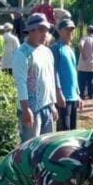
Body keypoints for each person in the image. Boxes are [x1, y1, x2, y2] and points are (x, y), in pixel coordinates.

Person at [13, 13, 59, 143]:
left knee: (46, 146)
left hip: (46, 107)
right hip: (31, 110)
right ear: (31, 31)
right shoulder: (22, 53)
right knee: (30, 147)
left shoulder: (47, 52)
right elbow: (21, 83)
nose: (45, 34)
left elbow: (50, 79)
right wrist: (26, 109)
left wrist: (52, 105)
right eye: (41, 30)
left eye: (46, 30)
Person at [52, 18, 82, 131]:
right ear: (59, 31)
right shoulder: (55, 48)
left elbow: (74, 71)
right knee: (64, 129)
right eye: (67, 29)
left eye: (72, 29)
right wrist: (58, 92)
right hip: (63, 96)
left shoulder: (70, 49)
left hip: (73, 96)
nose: (70, 32)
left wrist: (78, 94)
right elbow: (54, 71)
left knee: (73, 129)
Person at [77, 25, 93, 100]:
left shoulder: (85, 38)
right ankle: (91, 95)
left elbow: (80, 45)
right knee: (91, 81)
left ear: (87, 31)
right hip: (92, 64)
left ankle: (82, 95)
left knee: (82, 81)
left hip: (83, 64)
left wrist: (83, 54)